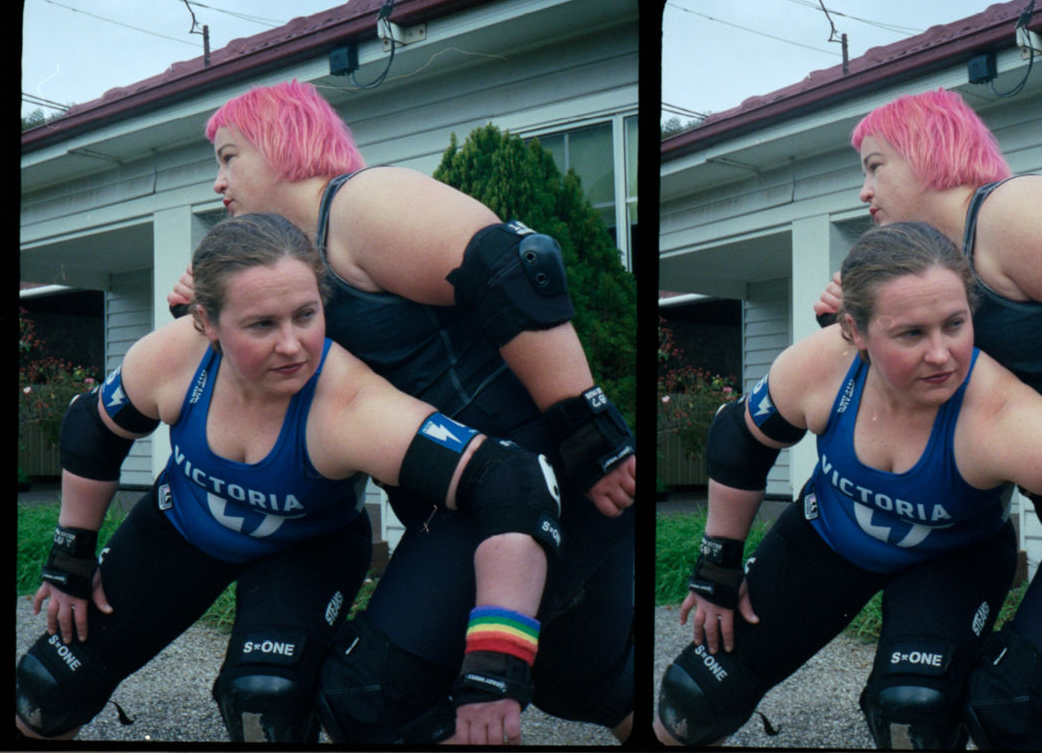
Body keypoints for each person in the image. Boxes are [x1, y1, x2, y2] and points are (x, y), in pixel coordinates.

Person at [166, 80, 636, 743]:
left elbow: (515, 267)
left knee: (370, 698)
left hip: (533, 480)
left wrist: (594, 433)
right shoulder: (302, 259)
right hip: (458, 498)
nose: (218, 181)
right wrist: (210, 303)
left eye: (229, 156)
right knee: (581, 679)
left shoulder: (358, 202)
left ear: (280, 142)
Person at [17, 213, 564, 745]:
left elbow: (515, 483)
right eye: (261, 324)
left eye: (306, 315)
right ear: (205, 322)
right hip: (179, 529)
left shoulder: (347, 405)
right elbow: (91, 430)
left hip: (308, 551)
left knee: (264, 701)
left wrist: (497, 659)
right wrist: (71, 554)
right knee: (47, 689)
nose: (292, 345)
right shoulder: (172, 360)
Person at [655, 220, 1042, 748]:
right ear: (854, 331)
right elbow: (737, 443)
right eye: (911, 333)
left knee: (913, 715)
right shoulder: (824, 368)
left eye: (955, 324)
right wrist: (716, 566)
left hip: (954, 561)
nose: (941, 354)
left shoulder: (1003, 416)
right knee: (691, 701)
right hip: (825, 538)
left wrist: (1029, 650)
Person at [813, 89, 1042, 748]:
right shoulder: (941, 266)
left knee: (1013, 701)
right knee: (995, 707)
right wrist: (848, 319)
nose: (864, 191)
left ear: (926, 151)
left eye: (875, 165)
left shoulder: (1012, 212)